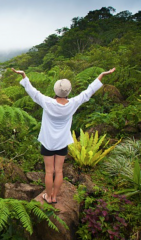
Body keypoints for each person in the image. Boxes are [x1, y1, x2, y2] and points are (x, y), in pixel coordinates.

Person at [12, 67, 116, 204]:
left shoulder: (47, 102)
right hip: (62, 143)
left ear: (55, 91)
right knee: (59, 171)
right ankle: (55, 196)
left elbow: (33, 92)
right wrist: (102, 75)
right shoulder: (73, 103)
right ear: (69, 91)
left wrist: (24, 75)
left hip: (48, 142)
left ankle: (48, 197)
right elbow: (88, 92)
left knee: (49, 172)